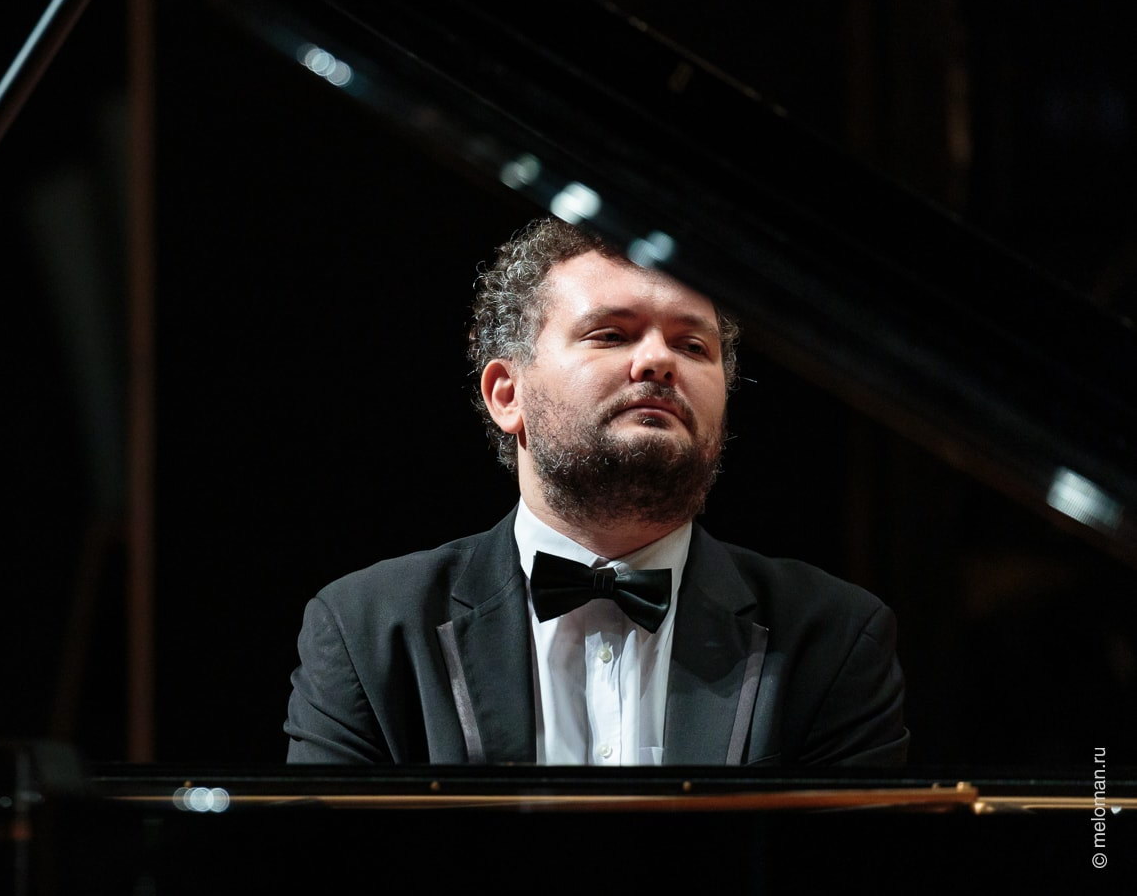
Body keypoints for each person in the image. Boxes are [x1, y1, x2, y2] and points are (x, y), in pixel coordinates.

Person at [284, 218, 908, 765]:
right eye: (611, 334)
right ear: (507, 394)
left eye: (693, 345)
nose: (659, 361)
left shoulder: (834, 638)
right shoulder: (366, 630)